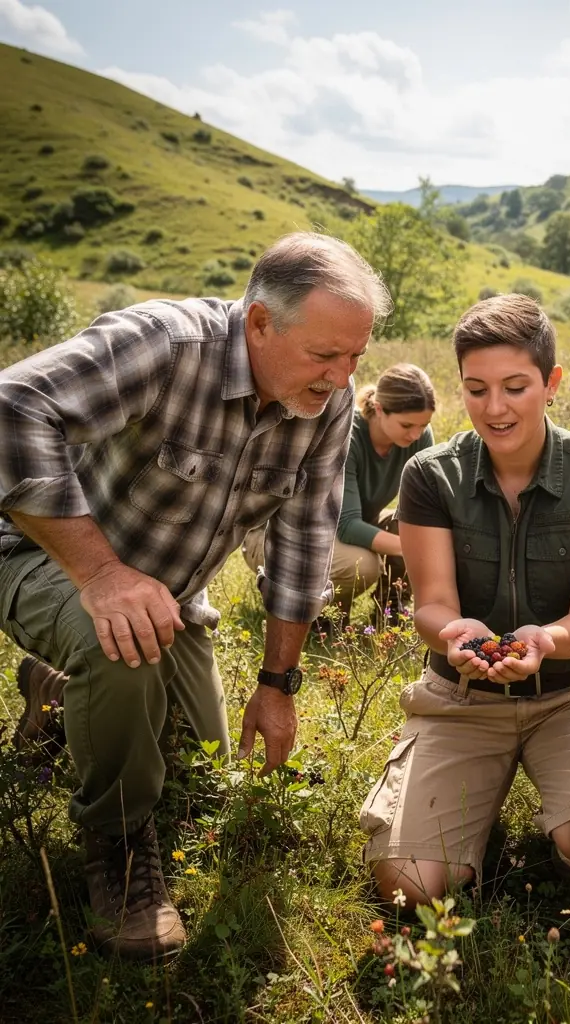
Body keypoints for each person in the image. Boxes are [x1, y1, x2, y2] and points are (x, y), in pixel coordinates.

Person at [0, 232, 389, 961]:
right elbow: (11, 406)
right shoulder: (166, 344)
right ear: (260, 323)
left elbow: (304, 540)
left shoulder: (324, 401)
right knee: (120, 653)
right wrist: (102, 576)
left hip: (171, 598)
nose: (342, 379)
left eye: (355, 357)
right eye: (324, 355)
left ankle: (59, 698)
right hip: (41, 554)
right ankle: (118, 853)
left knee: (206, 761)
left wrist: (277, 685)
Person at [359, 294, 570, 906]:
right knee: (414, 886)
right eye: (476, 389)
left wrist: (545, 641)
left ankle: (569, 810)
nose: (494, 408)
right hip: (462, 698)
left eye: (515, 387)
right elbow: (432, 606)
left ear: (551, 382)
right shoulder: (429, 475)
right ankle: (472, 807)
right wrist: (454, 634)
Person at [242, 363, 435, 628]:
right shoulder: (350, 435)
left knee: (416, 529)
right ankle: (317, 618)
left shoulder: (418, 438)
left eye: (423, 425)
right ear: (379, 409)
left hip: (339, 530)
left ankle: (389, 616)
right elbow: (348, 527)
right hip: (281, 534)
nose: (416, 434)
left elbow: (428, 509)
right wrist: (415, 550)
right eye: (407, 425)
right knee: (364, 565)